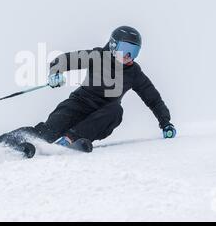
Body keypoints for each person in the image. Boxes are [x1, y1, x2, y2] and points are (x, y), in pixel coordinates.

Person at [29, 26, 176, 151]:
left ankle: (70, 140)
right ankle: (13, 142)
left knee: (116, 111)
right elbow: (63, 60)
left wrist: (166, 123)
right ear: (113, 45)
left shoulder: (134, 72)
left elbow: (153, 99)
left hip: (102, 114)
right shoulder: (97, 56)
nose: (128, 56)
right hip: (78, 105)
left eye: (134, 52)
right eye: (125, 49)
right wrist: (55, 72)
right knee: (46, 134)